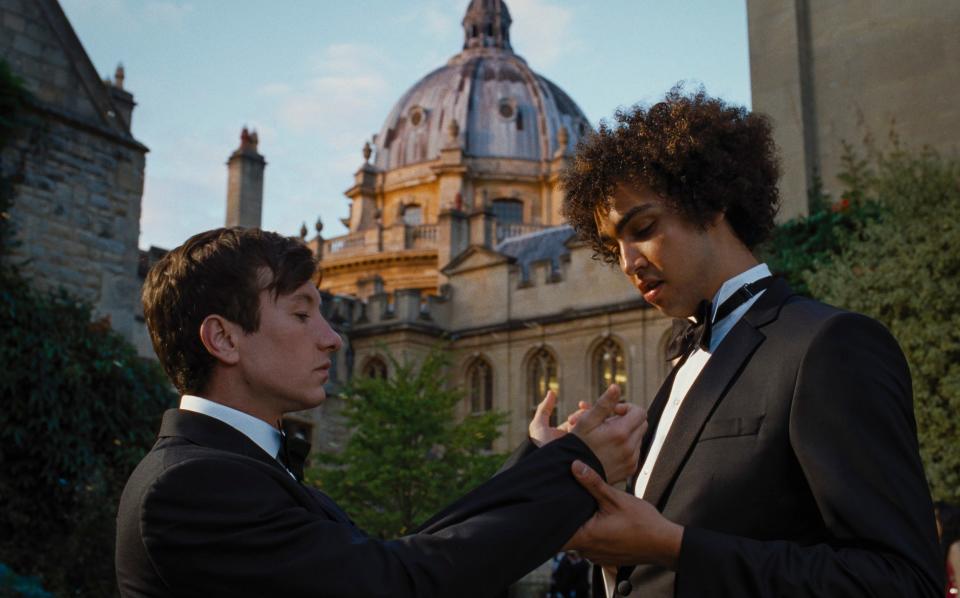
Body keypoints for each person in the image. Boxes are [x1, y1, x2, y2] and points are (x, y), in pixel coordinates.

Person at [535, 87, 943, 597]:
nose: (628, 262)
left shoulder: (828, 345)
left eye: (642, 227)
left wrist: (676, 547)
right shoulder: (684, 362)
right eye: (613, 247)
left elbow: (903, 582)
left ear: (711, 201)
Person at [115, 227, 647, 597]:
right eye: (302, 314)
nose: (333, 339)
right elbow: (401, 585)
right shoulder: (190, 486)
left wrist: (540, 461)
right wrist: (577, 475)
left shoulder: (229, 466)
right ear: (223, 338)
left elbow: (399, 557)